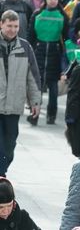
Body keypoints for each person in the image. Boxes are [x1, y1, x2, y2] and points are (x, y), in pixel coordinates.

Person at [0, 10, 40, 174]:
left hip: (14, 106)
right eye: (9, 26)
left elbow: (33, 77)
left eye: (16, 26)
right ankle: (1, 176)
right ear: (1, 24)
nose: (13, 30)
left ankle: (2, 171)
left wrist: (35, 101)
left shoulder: (25, 47)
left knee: (9, 147)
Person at [27, 0, 69, 125]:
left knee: (53, 88)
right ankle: (34, 115)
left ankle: (51, 115)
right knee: (36, 87)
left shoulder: (62, 16)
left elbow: (66, 37)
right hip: (39, 51)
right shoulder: (37, 14)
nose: (53, 1)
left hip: (55, 53)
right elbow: (30, 35)